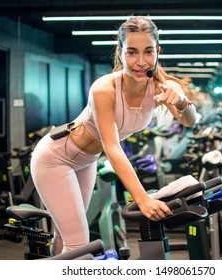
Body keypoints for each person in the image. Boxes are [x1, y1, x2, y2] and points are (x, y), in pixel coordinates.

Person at [30, 16, 197, 255]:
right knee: (78, 243)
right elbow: (112, 147)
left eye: (148, 52)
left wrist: (181, 101)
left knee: (65, 236)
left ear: (158, 50)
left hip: (86, 162)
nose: (141, 62)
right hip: (55, 157)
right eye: (132, 52)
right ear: (120, 52)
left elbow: (190, 120)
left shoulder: (164, 87)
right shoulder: (104, 89)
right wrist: (142, 199)